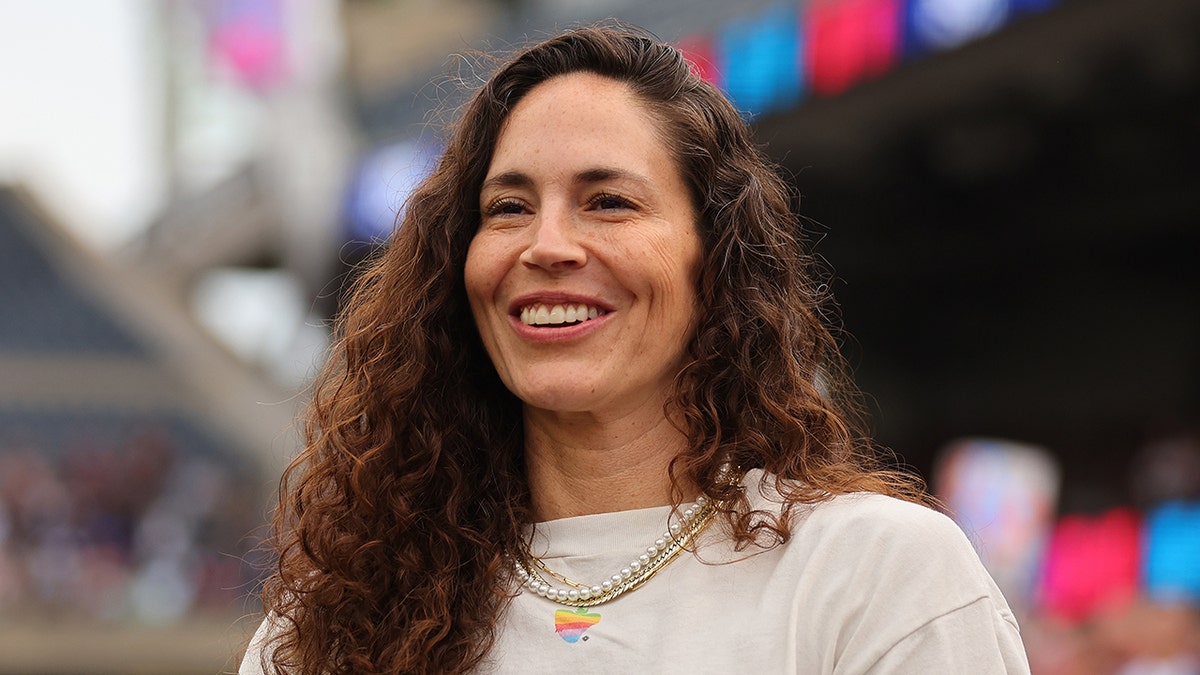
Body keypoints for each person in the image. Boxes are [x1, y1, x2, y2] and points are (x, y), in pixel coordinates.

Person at [241, 23, 1030, 674]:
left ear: (714, 260)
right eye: (508, 206)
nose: (547, 245)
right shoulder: (327, 621)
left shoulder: (876, 576)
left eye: (608, 201)